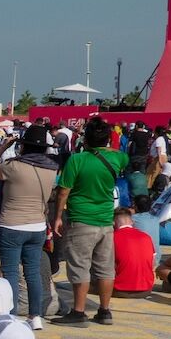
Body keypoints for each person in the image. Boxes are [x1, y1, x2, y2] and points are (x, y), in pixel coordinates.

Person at [53, 117, 128, 327]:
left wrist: (58, 216)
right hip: (106, 221)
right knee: (105, 268)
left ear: (85, 139)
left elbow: (63, 192)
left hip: (81, 219)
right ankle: (104, 311)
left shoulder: (77, 160)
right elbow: (121, 155)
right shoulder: (118, 158)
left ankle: (78, 311)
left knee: (80, 266)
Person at [0, 123, 57, 326]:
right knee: (32, 272)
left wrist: (3, 148)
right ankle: (36, 316)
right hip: (37, 226)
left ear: (23, 146)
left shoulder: (14, 166)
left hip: (12, 225)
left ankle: (12, 315)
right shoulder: (51, 169)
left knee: (10, 273)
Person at [112, 208, 157, 296]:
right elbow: (152, 264)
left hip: (118, 289)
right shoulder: (146, 237)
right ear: (132, 222)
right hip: (146, 290)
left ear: (113, 223)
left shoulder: (112, 237)